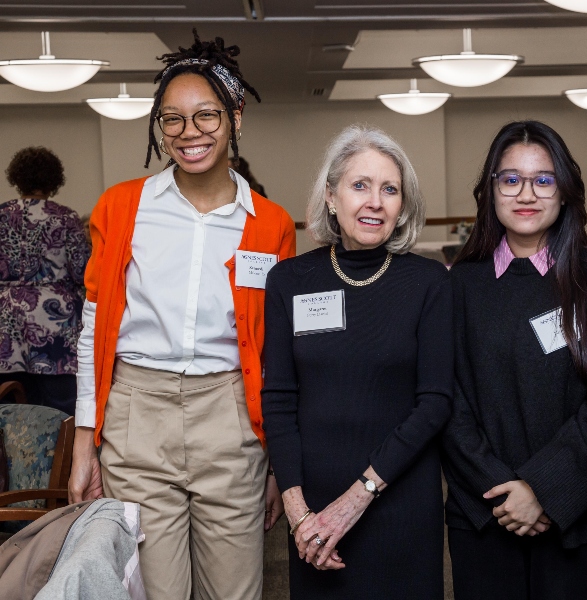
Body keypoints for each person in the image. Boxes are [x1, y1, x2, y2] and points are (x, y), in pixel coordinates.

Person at [67, 30, 296, 600]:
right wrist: (83, 445)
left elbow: (276, 350)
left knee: (236, 592)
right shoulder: (122, 207)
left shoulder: (271, 223)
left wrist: (276, 462)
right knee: (157, 593)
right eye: (172, 119)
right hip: (137, 418)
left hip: (231, 418)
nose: (189, 133)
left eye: (206, 116)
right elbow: (94, 329)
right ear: (158, 127)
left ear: (236, 117)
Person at [442, 120, 587, 600]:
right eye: (510, 178)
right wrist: (505, 490)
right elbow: (445, 399)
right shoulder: (457, 286)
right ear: (490, 190)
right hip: (485, 512)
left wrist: (544, 490)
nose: (525, 193)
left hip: (580, 516)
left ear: (565, 189)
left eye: (543, 179)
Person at [262, 124, 451, 599]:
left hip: (400, 500)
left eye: (390, 189)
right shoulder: (289, 280)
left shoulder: (429, 282)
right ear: (331, 196)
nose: (375, 202)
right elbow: (279, 400)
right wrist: (300, 513)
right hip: (313, 510)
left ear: (402, 205)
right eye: (360, 185)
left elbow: (435, 403)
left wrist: (357, 498)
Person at [0, 147, 89, 415]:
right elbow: (82, 271)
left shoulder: (1, 215)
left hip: (6, 318)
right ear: (54, 180)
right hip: (56, 322)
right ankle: (61, 456)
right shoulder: (66, 217)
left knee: (9, 405)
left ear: (17, 179)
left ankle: (13, 458)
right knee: (61, 405)